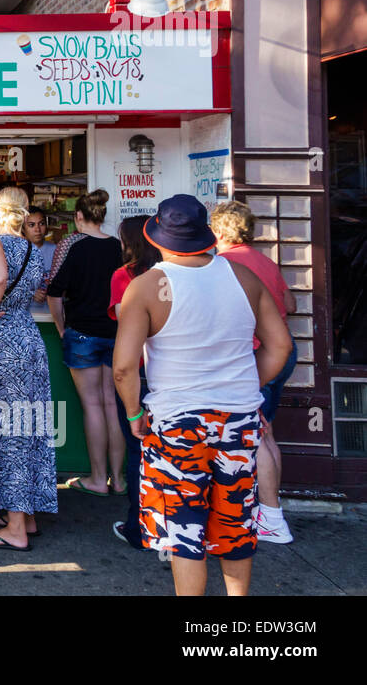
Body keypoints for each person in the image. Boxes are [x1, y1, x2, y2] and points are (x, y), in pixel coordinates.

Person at [113, 195, 291, 596]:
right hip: (239, 419)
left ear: (156, 237)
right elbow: (279, 346)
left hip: (176, 421)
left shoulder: (145, 287)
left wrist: (132, 414)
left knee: (183, 529)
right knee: (235, 523)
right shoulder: (243, 278)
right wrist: (244, 389)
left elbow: (124, 367)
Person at [0, 186, 56, 550]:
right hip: (29, 339)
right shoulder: (34, 250)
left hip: (2, 339)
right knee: (29, 424)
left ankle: (16, 529)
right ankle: (28, 515)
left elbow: (0, 277)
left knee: (7, 428)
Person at [211, 200, 298, 544]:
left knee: (256, 435)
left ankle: (271, 517)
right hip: (280, 353)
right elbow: (289, 304)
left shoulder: (224, 264)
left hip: (252, 356)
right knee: (266, 432)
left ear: (219, 230)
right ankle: (269, 511)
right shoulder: (264, 261)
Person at [46, 189, 125, 496]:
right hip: (115, 332)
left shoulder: (73, 246)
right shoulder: (119, 246)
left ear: (78, 217)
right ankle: (118, 479)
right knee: (112, 405)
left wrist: (61, 326)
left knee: (92, 405)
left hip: (82, 332)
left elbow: (54, 291)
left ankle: (97, 477)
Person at [107, 214, 160, 549]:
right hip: (166, 371)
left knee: (136, 447)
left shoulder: (123, 276)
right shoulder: (168, 275)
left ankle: (138, 525)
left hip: (135, 369)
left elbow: (122, 323)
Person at [26, 206, 57, 317]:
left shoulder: (57, 250)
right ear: (23, 228)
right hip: (26, 316)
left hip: (52, 314)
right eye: (31, 225)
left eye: (41, 224)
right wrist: (31, 293)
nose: (37, 229)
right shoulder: (18, 252)